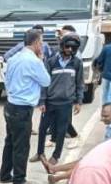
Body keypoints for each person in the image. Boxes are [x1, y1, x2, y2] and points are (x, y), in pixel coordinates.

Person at [0, 29, 50, 184]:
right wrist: (41, 60)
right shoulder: (33, 61)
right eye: (41, 43)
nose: (42, 46)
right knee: (21, 144)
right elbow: (46, 81)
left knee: (10, 141)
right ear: (35, 43)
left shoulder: (14, 58)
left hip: (10, 104)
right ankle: (19, 179)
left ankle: (5, 174)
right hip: (22, 107)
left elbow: (7, 78)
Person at [33, 34, 83, 167]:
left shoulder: (77, 63)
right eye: (67, 47)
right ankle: (39, 153)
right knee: (43, 128)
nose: (70, 50)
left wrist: (78, 101)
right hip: (50, 102)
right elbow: (44, 84)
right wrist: (42, 101)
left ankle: (56, 156)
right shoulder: (51, 62)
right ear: (62, 46)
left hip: (66, 103)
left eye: (73, 48)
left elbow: (79, 84)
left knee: (61, 130)